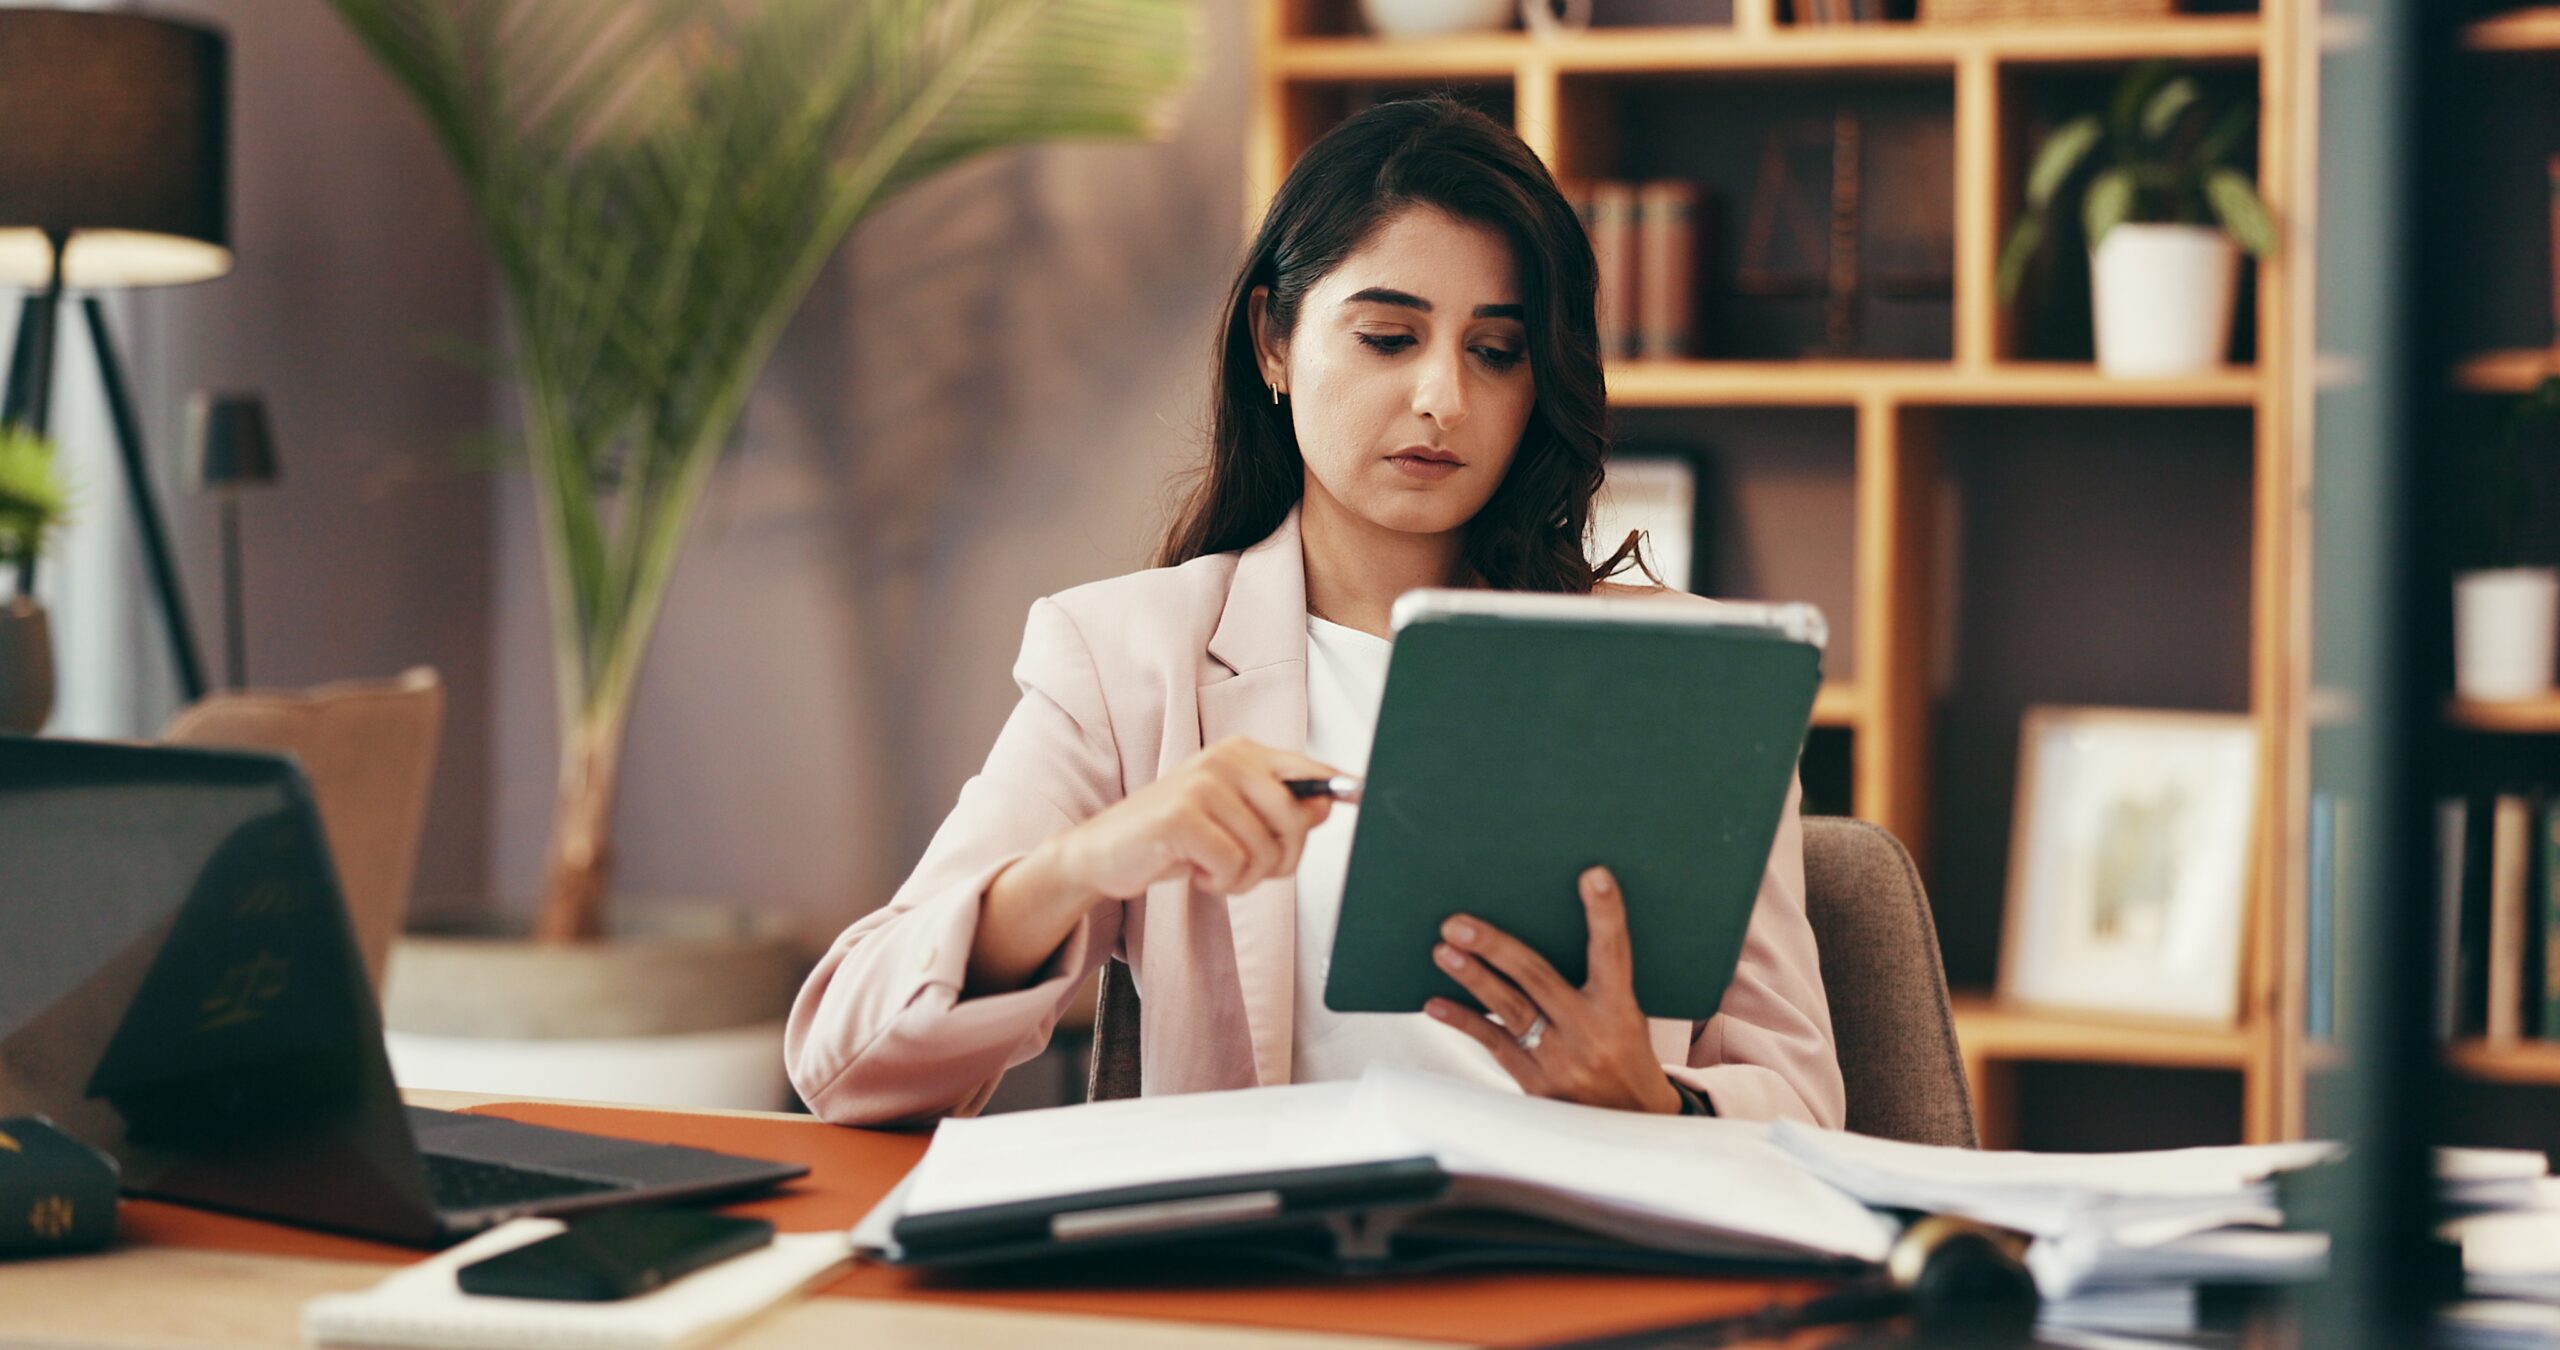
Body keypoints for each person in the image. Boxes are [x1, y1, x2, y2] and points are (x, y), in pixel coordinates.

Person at [786, 96, 1843, 1129]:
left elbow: (1805, 1104)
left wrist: (1654, 1099)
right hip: (1276, 1276)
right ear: (1274, 343)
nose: (1442, 398)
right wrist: (1085, 864)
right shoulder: (1124, 661)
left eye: (1495, 352)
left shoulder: (1678, 677)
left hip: (1590, 1262)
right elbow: (846, 1062)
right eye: (1389, 336)